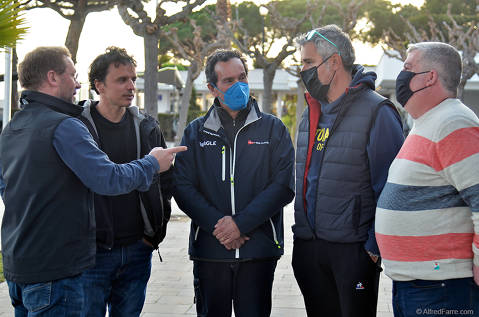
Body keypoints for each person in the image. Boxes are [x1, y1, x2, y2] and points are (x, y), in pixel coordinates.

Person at [0, 46, 186, 316]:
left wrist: (153, 233)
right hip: (58, 270)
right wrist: (152, 163)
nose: (77, 84)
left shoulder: (13, 127)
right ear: (52, 77)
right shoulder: (65, 125)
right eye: (72, 75)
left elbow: (8, 189)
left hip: (21, 267)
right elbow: (107, 178)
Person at [292, 25, 404, 317]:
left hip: (353, 252)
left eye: (307, 62)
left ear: (333, 62)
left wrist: (372, 246)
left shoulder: (378, 112)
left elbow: (392, 187)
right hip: (309, 248)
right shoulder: (310, 111)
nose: (301, 70)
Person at [173, 49, 295, 317]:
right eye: (229, 80)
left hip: (258, 250)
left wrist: (241, 223)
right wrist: (221, 227)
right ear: (213, 88)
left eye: (242, 77)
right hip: (210, 250)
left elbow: (283, 185)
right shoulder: (195, 132)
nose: (239, 85)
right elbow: (182, 187)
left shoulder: (273, 129)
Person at [376, 42, 479, 316]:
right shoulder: (428, 121)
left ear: (430, 77)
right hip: (421, 284)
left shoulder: (453, 122)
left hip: (441, 287)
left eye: (408, 68)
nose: (402, 75)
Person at [76, 47, 172, 317]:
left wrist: (153, 234)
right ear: (99, 85)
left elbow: (165, 182)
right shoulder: (76, 127)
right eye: (121, 79)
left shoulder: (147, 127)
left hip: (137, 249)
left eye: (133, 78)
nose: (131, 86)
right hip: (91, 254)